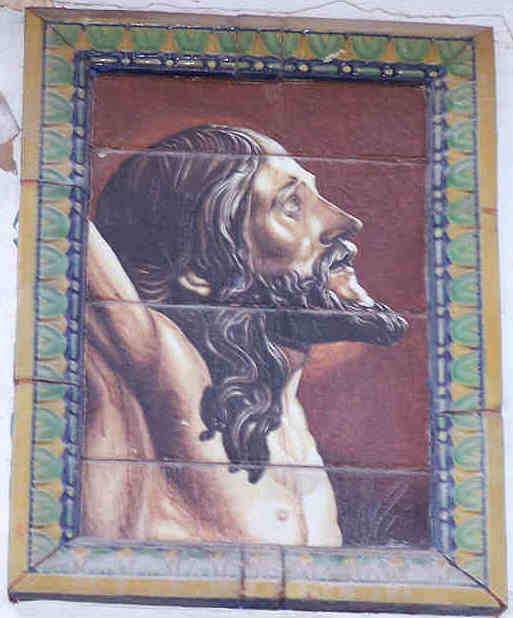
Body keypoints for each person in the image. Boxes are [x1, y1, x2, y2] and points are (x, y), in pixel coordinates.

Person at [83, 124, 407, 548]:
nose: (345, 222)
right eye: (291, 205)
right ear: (200, 270)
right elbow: (57, 214)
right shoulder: (168, 377)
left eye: (315, 197)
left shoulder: (291, 424)